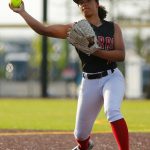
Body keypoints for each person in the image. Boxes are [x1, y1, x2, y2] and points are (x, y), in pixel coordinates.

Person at [9, 0, 129, 149]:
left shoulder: (112, 27)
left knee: (112, 110)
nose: (83, 3)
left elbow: (121, 55)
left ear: (97, 3)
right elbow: (44, 30)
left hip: (112, 77)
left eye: (87, 0)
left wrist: (97, 51)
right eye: (80, 2)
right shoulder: (76, 29)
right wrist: (22, 12)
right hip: (89, 81)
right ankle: (84, 146)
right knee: (80, 135)